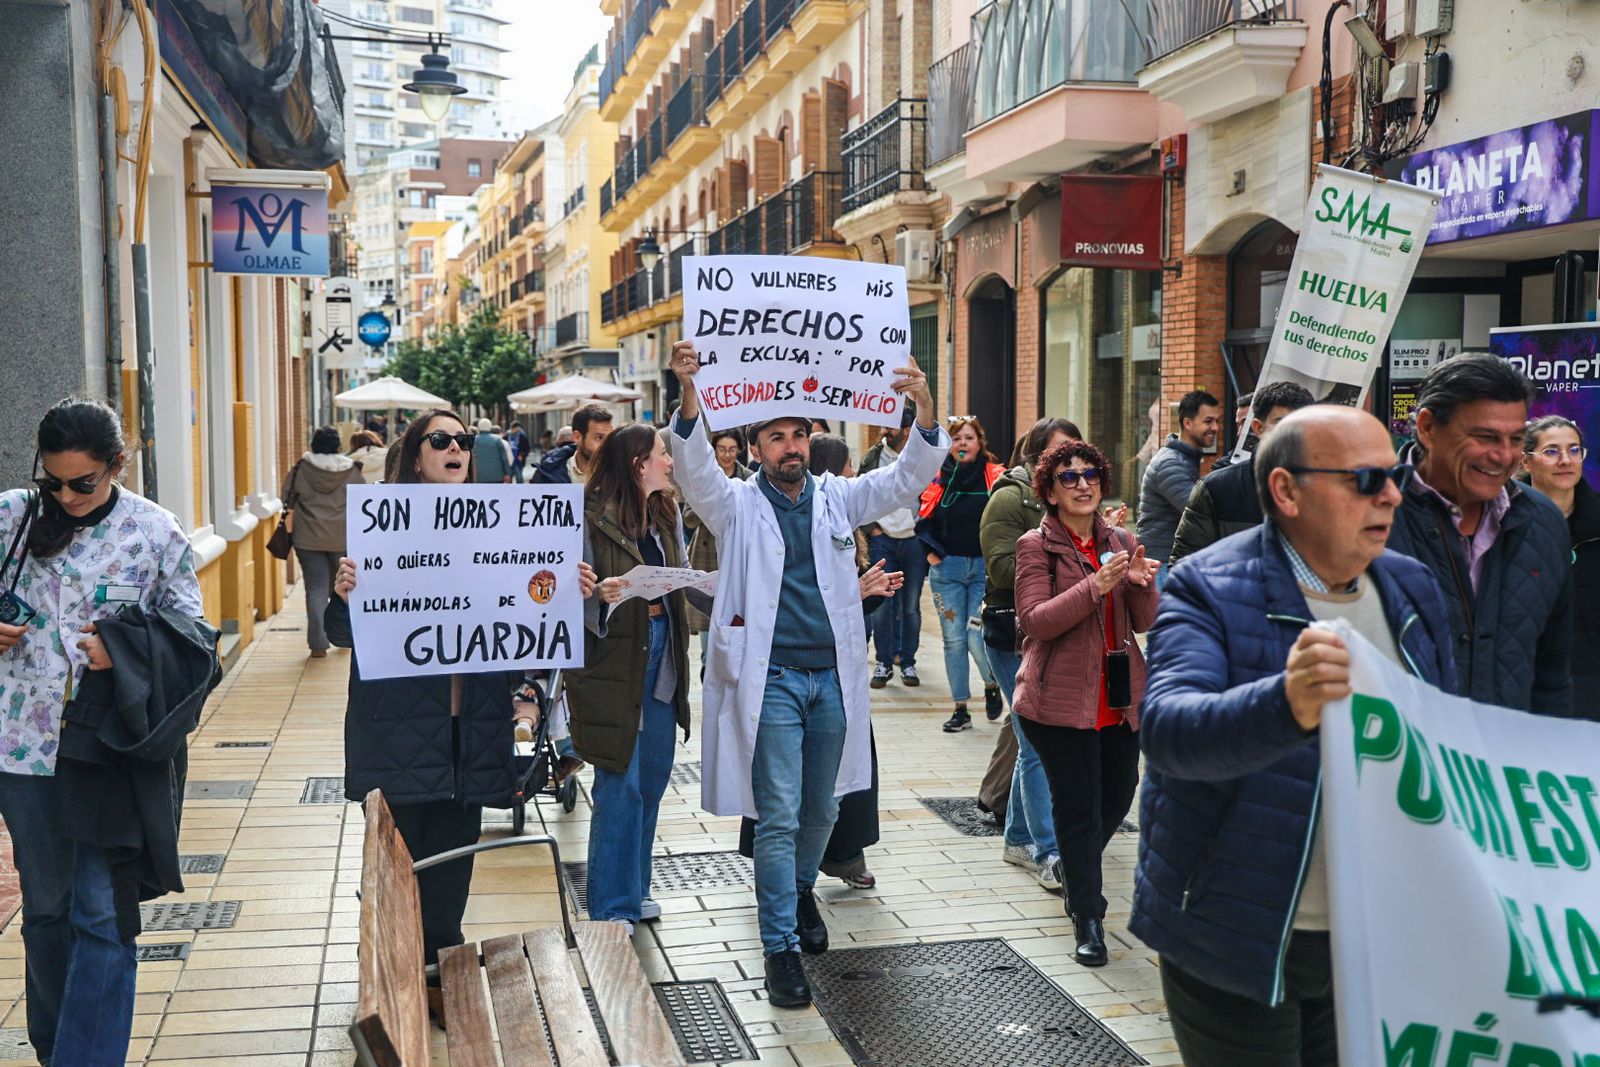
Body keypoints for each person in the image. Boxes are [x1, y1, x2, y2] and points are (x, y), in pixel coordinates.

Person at [1134, 406, 1455, 1066]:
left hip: (1375, 936)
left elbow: (1449, 742)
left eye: (1395, 473)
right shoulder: (1205, 587)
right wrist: (1285, 702)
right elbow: (1168, 731)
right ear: (1285, 490)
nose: (1392, 494)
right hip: (1238, 937)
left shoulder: (1414, 586)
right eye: (1366, 478)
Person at [667, 339, 943, 1009]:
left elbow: (906, 478)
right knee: (781, 813)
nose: (789, 446)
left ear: (810, 438)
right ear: (756, 447)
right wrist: (690, 390)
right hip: (773, 684)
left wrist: (925, 404)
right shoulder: (734, 506)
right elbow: (693, 464)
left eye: (798, 434)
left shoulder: (839, 498)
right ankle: (780, 946)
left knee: (824, 806)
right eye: (775, 437)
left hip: (833, 681)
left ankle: (794, 888)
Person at [326, 411, 596, 1019]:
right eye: (441, 440)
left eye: (465, 442)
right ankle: (403, 981)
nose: (456, 449)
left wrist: (565, 594)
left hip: (468, 737)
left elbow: (533, 632)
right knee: (401, 872)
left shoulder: (502, 525)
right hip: (398, 736)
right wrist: (342, 593)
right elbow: (342, 634)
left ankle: (437, 976)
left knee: (452, 872)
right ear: (415, 454)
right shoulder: (381, 525)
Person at [0, 398, 207, 1064]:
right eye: (53, 481)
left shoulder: (155, 532)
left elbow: (195, 640)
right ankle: (56, 1047)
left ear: (118, 465)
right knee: (48, 910)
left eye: (83, 482)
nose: (67, 494)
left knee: (100, 914)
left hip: (109, 752)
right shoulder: (11, 519)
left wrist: (125, 649)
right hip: (21, 749)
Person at [1013, 440, 1159, 966]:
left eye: (1090, 474)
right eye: (1068, 477)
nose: (1082, 483)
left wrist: (1143, 585)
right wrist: (1097, 585)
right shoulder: (1037, 546)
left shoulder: (1120, 538)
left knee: (1119, 796)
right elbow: (1035, 620)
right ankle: (1089, 917)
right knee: (1078, 812)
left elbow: (1144, 622)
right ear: (1050, 491)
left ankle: (1076, 875)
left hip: (1118, 701)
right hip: (1056, 704)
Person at [1384, 355, 1574, 715]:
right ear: (1427, 428)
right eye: (1485, 437)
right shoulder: (1370, 513)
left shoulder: (1543, 522)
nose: (1503, 456)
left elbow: (1551, 674)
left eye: (1516, 439)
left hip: (1505, 762)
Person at [567, 424, 697, 932]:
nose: (670, 462)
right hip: (612, 661)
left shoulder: (666, 514)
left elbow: (683, 577)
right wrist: (595, 594)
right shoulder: (586, 515)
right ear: (639, 463)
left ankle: (636, 889)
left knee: (652, 778)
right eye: (664, 454)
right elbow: (560, 593)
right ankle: (611, 904)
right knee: (619, 781)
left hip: (663, 656)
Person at [980, 417, 1081, 890]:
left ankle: (1018, 837)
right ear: (1036, 453)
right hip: (1012, 633)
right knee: (1038, 743)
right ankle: (1048, 851)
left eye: (1076, 451)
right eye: (1060, 452)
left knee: (1030, 741)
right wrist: (1057, 560)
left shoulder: (1075, 498)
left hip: (1058, 633)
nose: (1070, 462)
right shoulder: (1011, 497)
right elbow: (1000, 568)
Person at [918, 417, 1005, 731]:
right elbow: (922, 521)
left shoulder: (995, 478)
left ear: (980, 443)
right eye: (956, 439)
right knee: (953, 640)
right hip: (947, 572)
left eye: (969, 438)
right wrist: (930, 552)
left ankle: (991, 683)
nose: (963, 444)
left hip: (984, 572)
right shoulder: (938, 480)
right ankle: (961, 709)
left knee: (974, 634)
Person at [1168, 382, 1315, 567]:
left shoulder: (1331, 487)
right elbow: (1184, 570)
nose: (1293, 433)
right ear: (1258, 428)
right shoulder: (1215, 490)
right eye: (1282, 424)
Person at [1520, 415, 1600, 717]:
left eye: (1574, 450)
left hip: (1592, 691)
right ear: (1526, 462)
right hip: (1525, 690)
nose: (1565, 460)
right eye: (1551, 451)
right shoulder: (1502, 524)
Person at [283, 427, 366, 659]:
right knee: (341, 586)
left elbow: (286, 497)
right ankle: (342, 635)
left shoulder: (301, 468)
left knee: (316, 588)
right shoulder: (351, 470)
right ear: (338, 445)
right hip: (342, 537)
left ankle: (318, 644)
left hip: (308, 539)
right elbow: (364, 501)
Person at [860, 406, 927, 690]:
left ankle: (908, 661)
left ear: (909, 429)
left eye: (891, 426)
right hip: (883, 537)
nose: (885, 431)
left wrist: (924, 531)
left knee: (911, 606)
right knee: (883, 604)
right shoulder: (873, 457)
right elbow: (860, 491)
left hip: (913, 539)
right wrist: (873, 529)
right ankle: (883, 663)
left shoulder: (920, 458)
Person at [1138, 389, 1221, 581]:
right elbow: (1199, 512)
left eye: (1217, 421)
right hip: (1163, 565)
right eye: (1208, 421)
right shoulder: (1172, 463)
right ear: (1188, 423)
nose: (1215, 427)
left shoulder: (1185, 458)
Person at [686, 428, 753, 654]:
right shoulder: (703, 478)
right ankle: (707, 664)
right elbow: (688, 518)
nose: (727, 455)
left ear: (740, 451)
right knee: (707, 612)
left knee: (736, 615)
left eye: (732, 449)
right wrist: (708, 507)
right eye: (722, 449)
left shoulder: (748, 479)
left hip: (737, 554)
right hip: (706, 554)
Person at [535, 405, 614, 484]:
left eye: (610, 437)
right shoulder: (549, 473)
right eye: (599, 437)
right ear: (577, 437)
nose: (606, 444)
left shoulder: (620, 471)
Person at [471, 418, 511, 484]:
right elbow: (504, 458)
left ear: (478, 427)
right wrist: (507, 473)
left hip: (479, 476)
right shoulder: (497, 440)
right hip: (497, 475)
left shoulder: (474, 440)